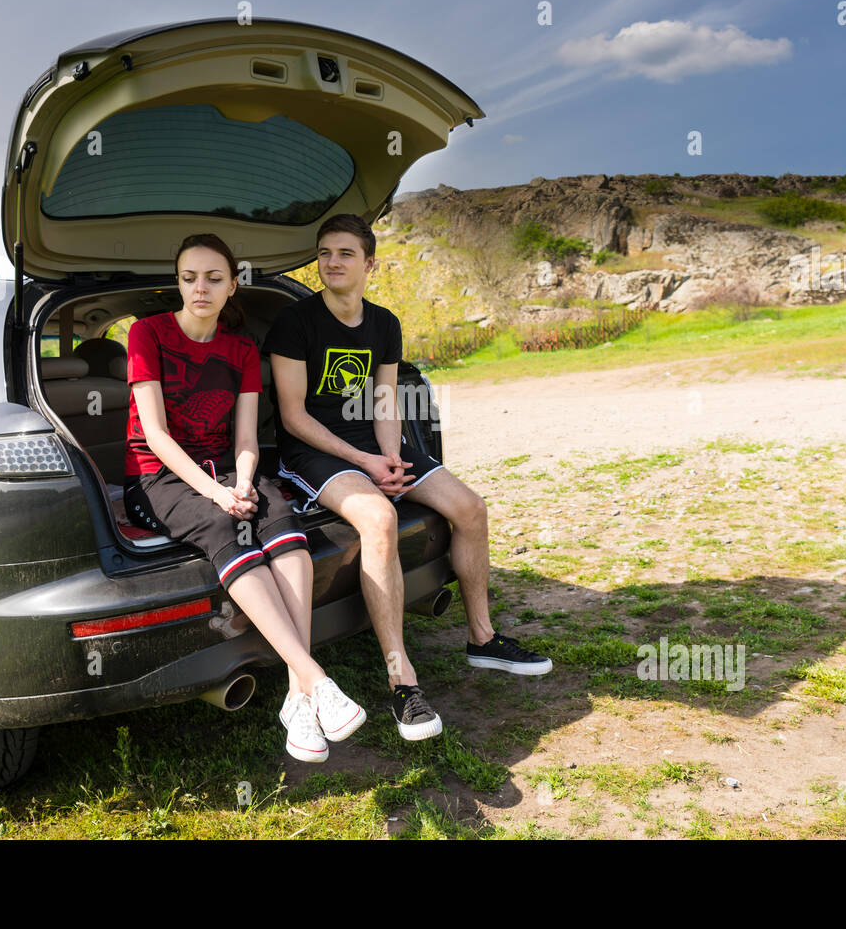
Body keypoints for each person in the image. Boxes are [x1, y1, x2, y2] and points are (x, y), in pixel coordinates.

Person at [264, 214, 551, 742]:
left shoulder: (384, 323)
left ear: (370, 263)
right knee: (379, 518)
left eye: (346, 253)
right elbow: (293, 415)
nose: (333, 262)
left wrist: (392, 458)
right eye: (325, 253)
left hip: (376, 446)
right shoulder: (294, 322)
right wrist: (366, 464)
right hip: (312, 451)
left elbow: (383, 399)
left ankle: (482, 639)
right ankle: (402, 680)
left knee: (470, 507)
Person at [123, 232, 365, 763]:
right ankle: (314, 679)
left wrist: (243, 481)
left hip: (228, 470)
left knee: (283, 525)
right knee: (222, 528)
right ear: (179, 283)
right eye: (189, 279)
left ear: (233, 286)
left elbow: (248, 439)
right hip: (156, 476)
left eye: (213, 278)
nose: (200, 289)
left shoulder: (241, 350)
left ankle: (297, 699)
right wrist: (217, 494)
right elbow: (157, 437)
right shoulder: (147, 334)